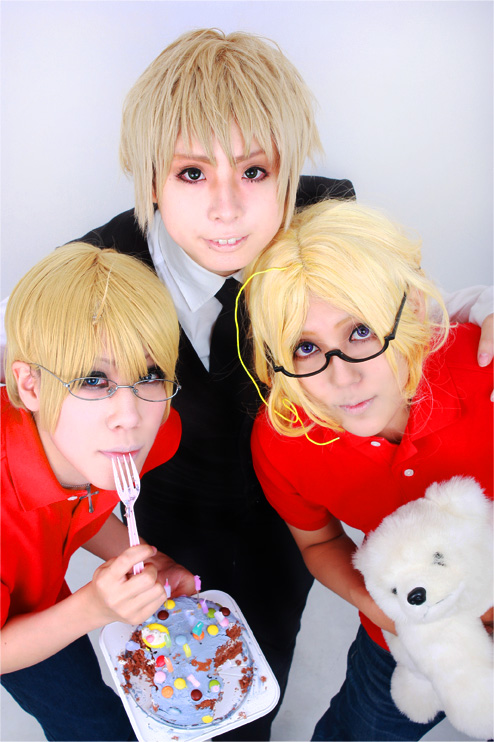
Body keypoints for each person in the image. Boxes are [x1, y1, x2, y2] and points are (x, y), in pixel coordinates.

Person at [71, 28, 493, 740]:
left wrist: (476, 304)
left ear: (290, 171)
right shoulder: (95, 275)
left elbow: (391, 308)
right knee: (184, 697)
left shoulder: (331, 220)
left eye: (256, 172)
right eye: (192, 174)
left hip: (289, 516)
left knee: (259, 682)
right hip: (167, 511)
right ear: (148, 178)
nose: (227, 208)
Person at [245, 199, 493, 741]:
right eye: (306, 347)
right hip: (405, 636)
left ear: (411, 311)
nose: (342, 378)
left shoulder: (482, 369)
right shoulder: (285, 438)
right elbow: (318, 542)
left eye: (360, 332)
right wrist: (379, 609)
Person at [1, 243, 195, 741]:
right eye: (93, 379)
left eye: (150, 375)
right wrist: (92, 608)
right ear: (30, 386)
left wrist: (153, 560)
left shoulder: (138, 436)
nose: (129, 416)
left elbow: (80, 511)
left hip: (38, 581)